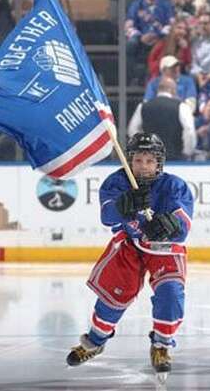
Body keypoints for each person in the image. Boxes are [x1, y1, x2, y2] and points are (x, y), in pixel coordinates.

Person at [66, 132, 194, 379]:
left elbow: (183, 227)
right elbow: (108, 217)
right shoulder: (117, 183)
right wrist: (124, 204)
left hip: (163, 247)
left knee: (171, 293)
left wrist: (170, 225)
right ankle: (95, 340)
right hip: (130, 245)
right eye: (137, 160)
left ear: (159, 163)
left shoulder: (174, 185)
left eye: (149, 161)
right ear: (130, 160)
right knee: (112, 298)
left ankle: (162, 346)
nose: (143, 166)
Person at [128, 77, 197, 161]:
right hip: (175, 157)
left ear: (158, 90)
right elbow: (189, 130)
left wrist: (143, 147)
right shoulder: (181, 106)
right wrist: (187, 152)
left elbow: (132, 130)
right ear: (173, 90)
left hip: (150, 158)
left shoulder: (143, 106)